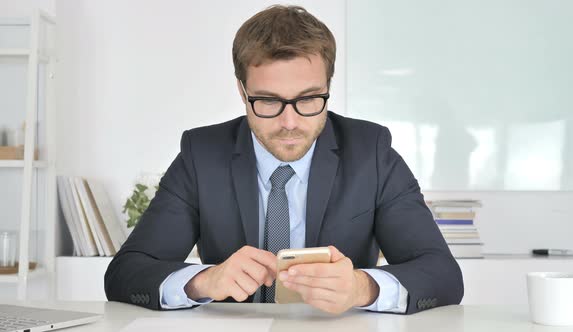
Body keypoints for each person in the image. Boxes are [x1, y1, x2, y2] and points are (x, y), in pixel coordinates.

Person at [104, 5, 463, 315]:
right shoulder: (202, 154)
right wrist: (202, 280)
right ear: (242, 91)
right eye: (269, 101)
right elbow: (125, 272)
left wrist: (362, 288)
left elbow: (443, 274)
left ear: (328, 86)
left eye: (308, 99)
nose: (289, 123)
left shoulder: (371, 152)